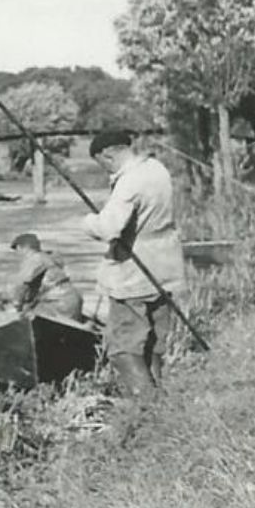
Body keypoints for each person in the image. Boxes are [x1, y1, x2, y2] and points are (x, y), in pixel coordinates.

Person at [81, 130, 187, 396]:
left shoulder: (129, 182)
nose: (106, 170)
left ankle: (147, 408)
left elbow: (109, 228)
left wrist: (87, 222)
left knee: (122, 348)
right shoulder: (156, 168)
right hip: (166, 266)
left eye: (102, 164)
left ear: (108, 155)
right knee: (153, 342)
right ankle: (158, 399)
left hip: (134, 272)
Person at [0, 232, 83, 320]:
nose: (17, 254)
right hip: (72, 302)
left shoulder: (35, 259)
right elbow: (29, 292)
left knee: (25, 316)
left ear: (22, 247)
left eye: (17, 250)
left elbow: (20, 286)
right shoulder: (49, 258)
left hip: (58, 304)